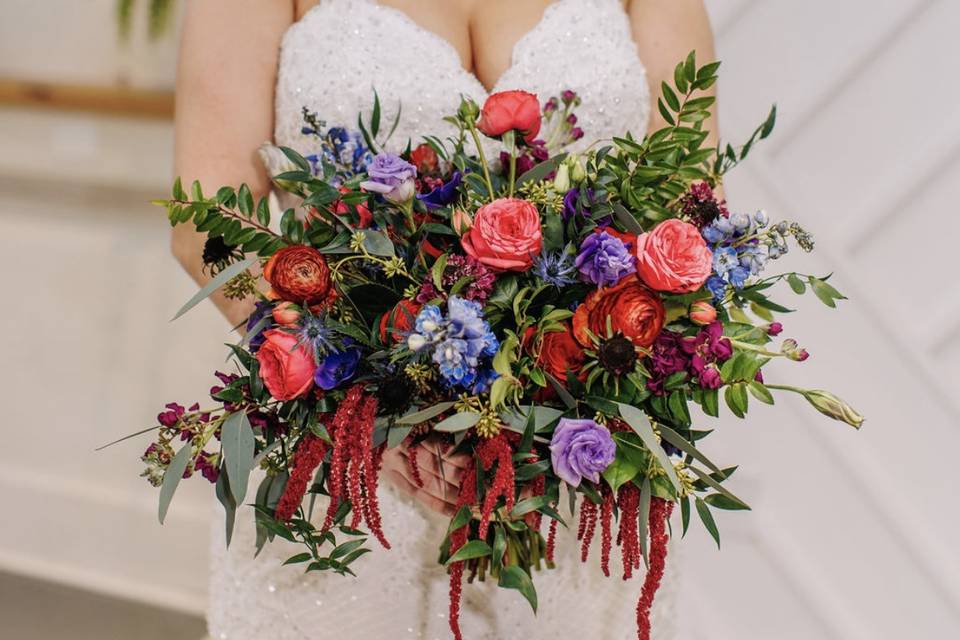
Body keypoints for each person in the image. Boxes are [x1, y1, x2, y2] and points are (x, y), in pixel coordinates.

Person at [173, 1, 717, 638]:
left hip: (575, 469)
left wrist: (552, 405)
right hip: (349, 463)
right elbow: (204, 222)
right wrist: (366, 399)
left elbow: (692, 204)